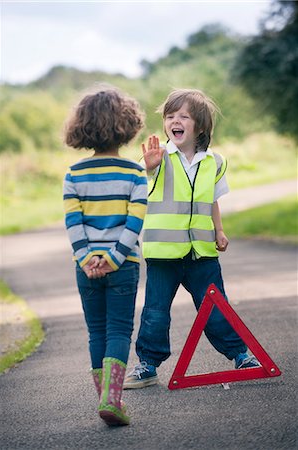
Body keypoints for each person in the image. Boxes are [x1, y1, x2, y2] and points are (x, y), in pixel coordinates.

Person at [124, 88, 260, 389]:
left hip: (202, 252)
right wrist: (147, 166)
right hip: (163, 254)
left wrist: (219, 230)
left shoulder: (215, 162)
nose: (175, 121)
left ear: (199, 124)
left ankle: (240, 355)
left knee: (216, 306)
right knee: (155, 312)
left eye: (183, 116)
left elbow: (212, 200)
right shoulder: (157, 159)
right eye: (170, 116)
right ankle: (147, 364)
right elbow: (138, 183)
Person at [63, 85, 147, 425]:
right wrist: (113, 258)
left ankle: (106, 399)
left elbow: (73, 222)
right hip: (123, 265)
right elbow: (135, 220)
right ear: (125, 125)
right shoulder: (134, 173)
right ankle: (112, 401)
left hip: (86, 269)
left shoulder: (74, 173)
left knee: (96, 331)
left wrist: (86, 259)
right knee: (118, 332)